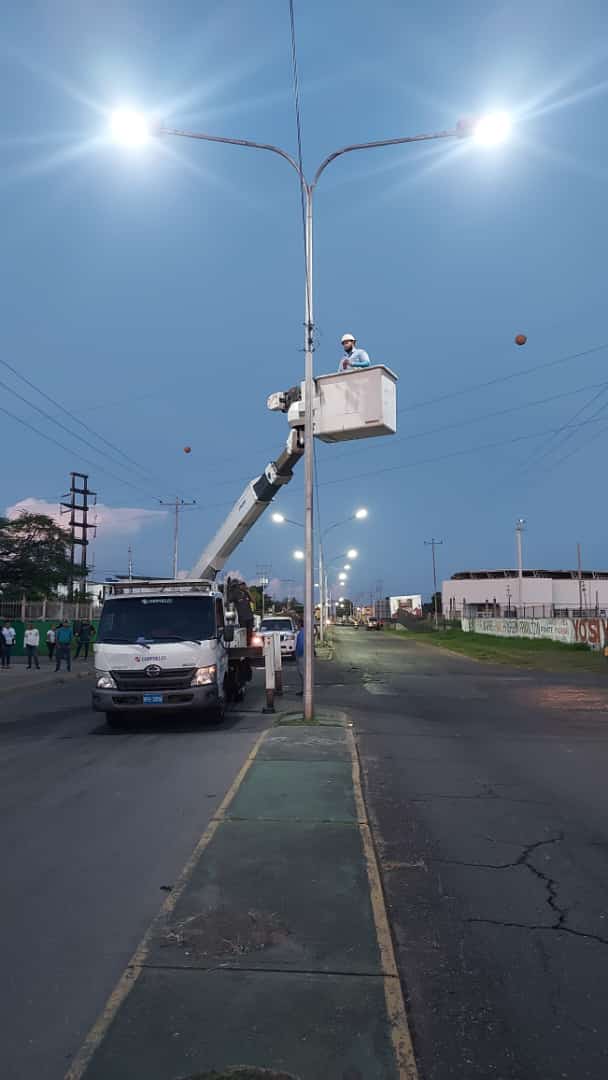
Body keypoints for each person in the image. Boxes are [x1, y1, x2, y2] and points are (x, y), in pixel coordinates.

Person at [295, 620, 305, 696]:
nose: (296, 626)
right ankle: (304, 689)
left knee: (302, 674)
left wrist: (298, 655)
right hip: (304, 655)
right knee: (303, 674)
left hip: (302, 656)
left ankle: (304, 690)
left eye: (297, 624)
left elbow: (300, 645)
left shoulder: (301, 633)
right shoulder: (304, 632)